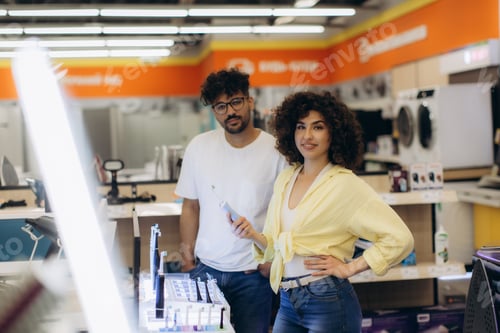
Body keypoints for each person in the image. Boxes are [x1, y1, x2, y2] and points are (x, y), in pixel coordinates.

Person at [232, 90, 414, 332]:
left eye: (317, 127)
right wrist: (252, 235)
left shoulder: (344, 184)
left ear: (333, 133)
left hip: (327, 300)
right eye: (300, 126)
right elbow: (279, 247)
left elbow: (400, 238)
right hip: (287, 299)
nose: (307, 135)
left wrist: (350, 267)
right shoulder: (286, 179)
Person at [174, 68, 287, 333]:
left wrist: (273, 260)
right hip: (206, 271)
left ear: (250, 101)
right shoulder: (199, 147)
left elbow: (284, 212)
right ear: (214, 111)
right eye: (221, 106)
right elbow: (190, 207)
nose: (229, 112)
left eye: (236, 101)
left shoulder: (276, 151)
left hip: (252, 274)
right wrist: (188, 261)